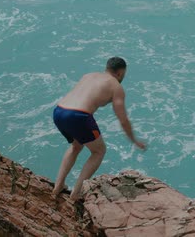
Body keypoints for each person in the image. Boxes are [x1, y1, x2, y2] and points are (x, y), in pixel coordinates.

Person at [51, 56, 146, 201]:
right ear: (120, 73)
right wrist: (134, 140)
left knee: (76, 146)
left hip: (59, 111)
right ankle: (75, 194)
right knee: (99, 151)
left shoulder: (88, 76)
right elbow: (123, 119)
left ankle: (58, 187)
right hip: (78, 116)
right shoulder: (116, 86)